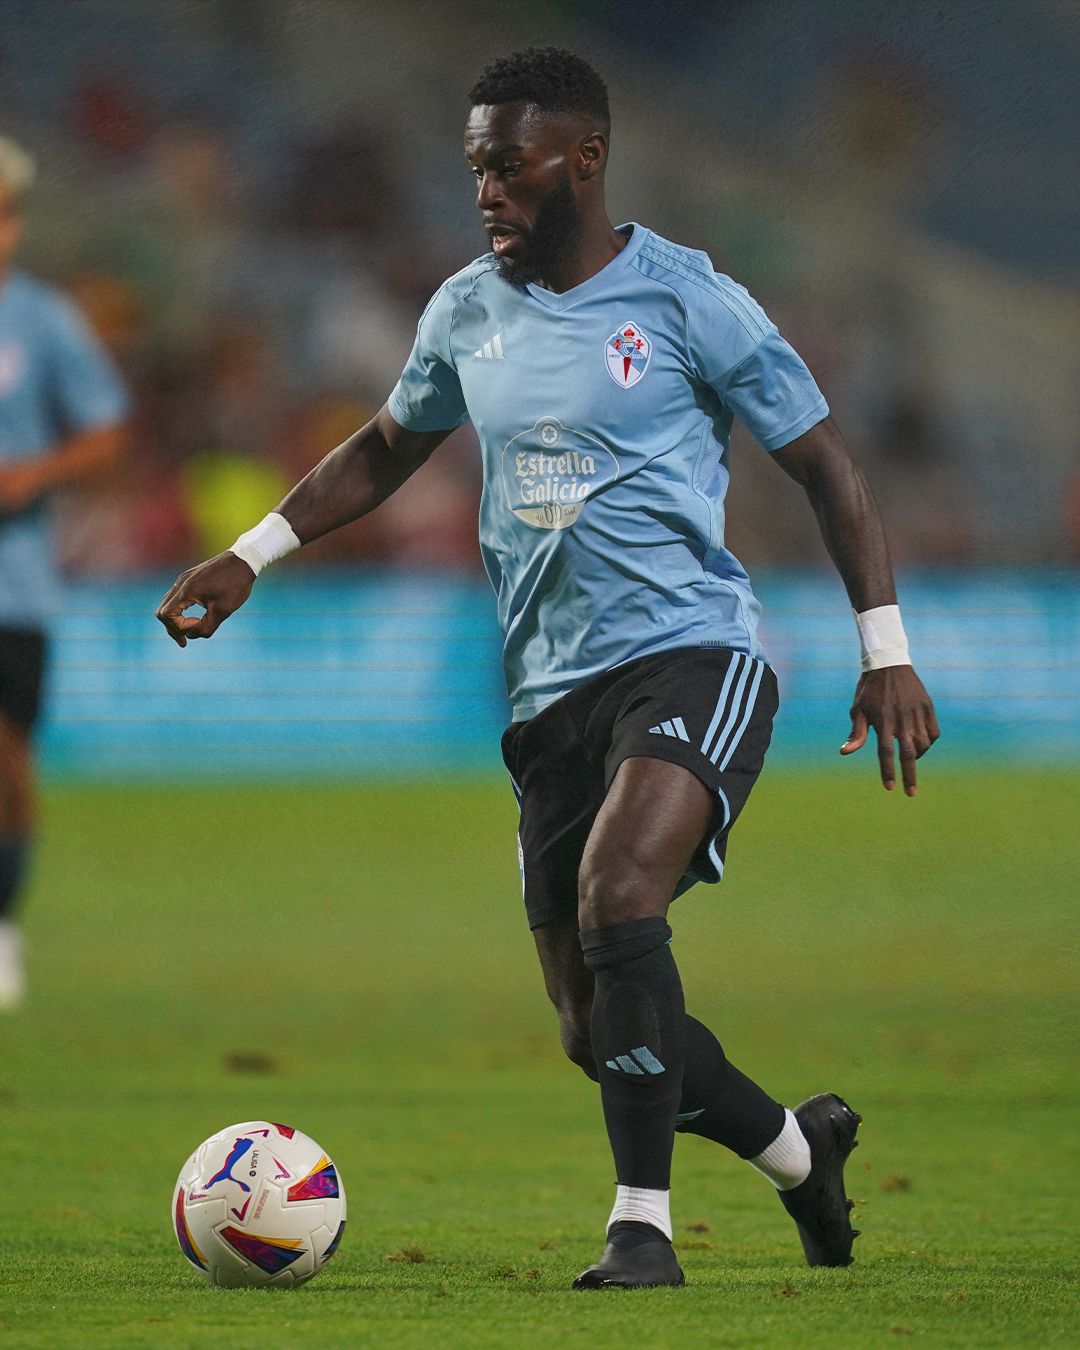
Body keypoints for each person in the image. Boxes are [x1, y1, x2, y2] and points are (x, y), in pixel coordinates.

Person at [156, 48, 939, 1288]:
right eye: (475, 167)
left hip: (695, 653)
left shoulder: (690, 299)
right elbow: (385, 446)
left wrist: (883, 650)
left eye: (507, 165)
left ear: (583, 158)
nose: (485, 190)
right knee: (597, 1025)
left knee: (621, 893)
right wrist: (254, 551)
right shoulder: (467, 307)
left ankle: (642, 1231)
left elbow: (829, 467)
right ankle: (800, 1151)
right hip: (546, 697)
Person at [0, 137, 129, 1009]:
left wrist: (35, 475)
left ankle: (2, 924)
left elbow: (105, 431)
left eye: (8, 214)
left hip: (14, 589)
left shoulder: (39, 320)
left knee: (10, 769)